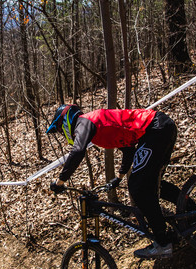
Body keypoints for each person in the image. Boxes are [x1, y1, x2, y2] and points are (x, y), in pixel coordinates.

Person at [46, 104, 178, 258]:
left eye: (61, 129)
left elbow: (77, 151)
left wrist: (60, 181)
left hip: (155, 129)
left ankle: (163, 243)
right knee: (150, 184)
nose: (63, 133)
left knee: (138, 187)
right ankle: (191, 210)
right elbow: (128, 150)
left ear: (66, 120)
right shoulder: (96, 130)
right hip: (160, 128)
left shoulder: (84, 122)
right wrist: (119, 178)